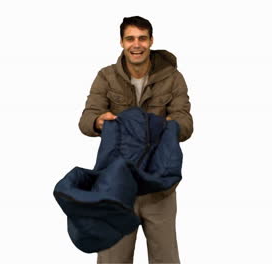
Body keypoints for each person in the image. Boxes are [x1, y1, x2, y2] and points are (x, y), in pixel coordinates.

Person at [78, 16, 193, 264]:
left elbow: (185, 124)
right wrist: (100, 121)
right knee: (112, 259)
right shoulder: (106, 77)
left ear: (151, 41)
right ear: (121, 42)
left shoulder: (173, 78)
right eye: (130, 38)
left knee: (166, 259)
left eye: (142, 38)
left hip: (158, 186)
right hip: (116, 186)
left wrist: (168, 126)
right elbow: (86, 119)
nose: (136, 44)